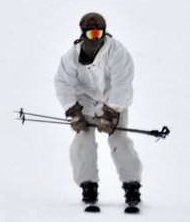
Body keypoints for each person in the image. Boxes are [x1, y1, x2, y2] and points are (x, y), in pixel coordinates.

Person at [54, 12, 143, 208]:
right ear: (83, 34)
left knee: (119, 138)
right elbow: (63, 83)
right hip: (85, 102)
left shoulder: (118, 52)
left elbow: (122, 85)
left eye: (99, 33)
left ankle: (132, 185)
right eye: (91, 34)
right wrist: (74, 111)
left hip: (114, 101)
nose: (96, 38)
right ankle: (88, 185)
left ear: (104, 32)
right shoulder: (71, 57)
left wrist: (110, 114)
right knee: (83, 138)